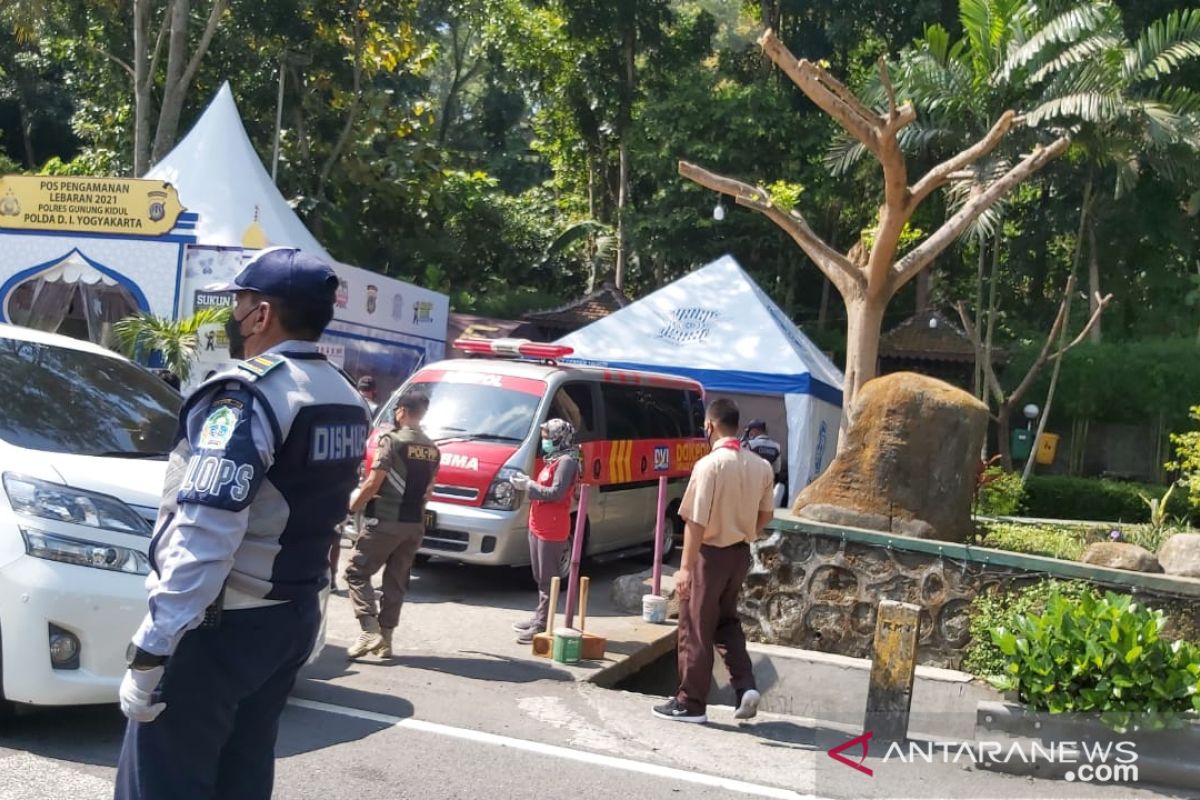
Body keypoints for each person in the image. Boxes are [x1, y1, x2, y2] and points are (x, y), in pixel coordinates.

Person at [114, 247, 371, 800]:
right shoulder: (345, 394)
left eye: (239, 302)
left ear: (262, 314)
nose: (233, 314)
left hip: (220, 627)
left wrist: (155, 645)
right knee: (243, 776)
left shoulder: (249, 393)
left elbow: (207, 528)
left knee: (161, 784)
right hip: (291, 616)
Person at [652, 398, 774, 725]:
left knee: (694, 626)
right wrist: (744, 529)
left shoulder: (709, 465)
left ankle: (690, 702)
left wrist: (685, 568)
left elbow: (696, 521)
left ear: (710, 426)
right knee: (726, 623)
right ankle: (745, 686)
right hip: (740, 553)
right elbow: (766, 515)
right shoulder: (761, 466)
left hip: (711, 555)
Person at [344, 390, 440, 658]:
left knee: (356, 573)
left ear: (401, 411)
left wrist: (351, 508)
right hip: (414, 525)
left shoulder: (392, 441)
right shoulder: (432, 448)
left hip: (386, 520)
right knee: (396, 581)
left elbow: (374, 481)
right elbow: (429, 492)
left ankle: (369, 629)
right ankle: (385, 641)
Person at [509, 419, 580, 645]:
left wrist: (528, 485)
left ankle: (541, 624)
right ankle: (537, 617)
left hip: (552, 527)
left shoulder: (567, 461)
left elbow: (556, 493)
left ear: (560, 436)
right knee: (539, 577)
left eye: (548, 436)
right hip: (538, 524)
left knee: (548, 579)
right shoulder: (554, 460)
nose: (545, 440)